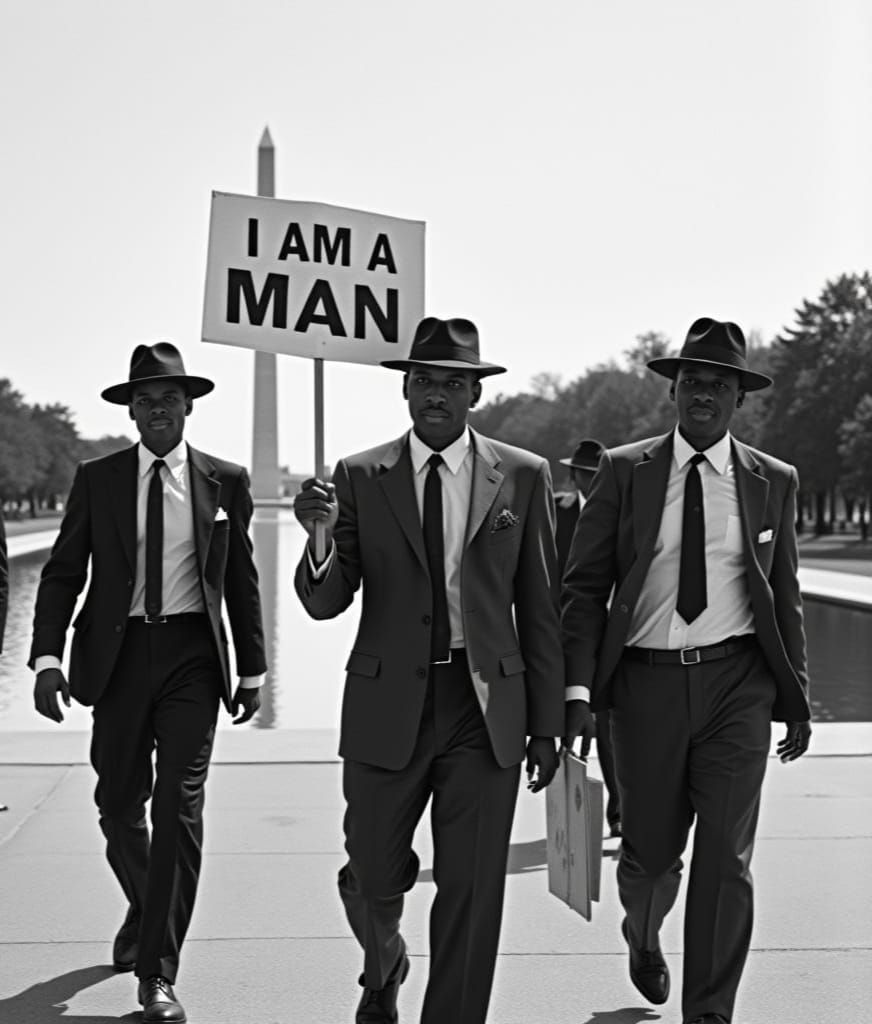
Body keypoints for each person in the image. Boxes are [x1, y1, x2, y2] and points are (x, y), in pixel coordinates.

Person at [294, 316, 565, 1024]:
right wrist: (318, 538)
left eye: (453, 382)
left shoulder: (525, 475)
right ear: (405, 390)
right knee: (374, 875)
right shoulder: (360, 475)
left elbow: (539, 607)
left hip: (485, 711)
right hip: (388, 706)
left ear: (475, 393)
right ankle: (383, 966)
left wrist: (547, 724)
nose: (437, 393)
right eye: (425, 381)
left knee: (474, 890)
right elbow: (326, 603)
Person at [562, 317, 812, 1024]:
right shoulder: (622, 469)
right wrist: (578, 692)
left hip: (739, 685)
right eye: (693, 380)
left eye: (720, 383)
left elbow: (783, 594)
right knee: (648, 858)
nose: (705, 392)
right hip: (643, 687)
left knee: (726, 861)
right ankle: (641, 933)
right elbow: (581, 590)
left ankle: (710, 1013)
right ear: (674, 390)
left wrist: (796, 696)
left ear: (740, 399)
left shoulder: (774, 481)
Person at [30, 341, 266, 1024]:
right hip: (120, 656)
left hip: (194, 655)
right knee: (117, 804)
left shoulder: (227, 479)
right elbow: (64, 572)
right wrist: (46, 659)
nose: (156, 408)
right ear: (130, 411)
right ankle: (146, 900)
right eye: (144, 399)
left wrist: (251, 667)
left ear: (188, 406)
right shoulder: (97, 478)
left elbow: (240, 579)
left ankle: (157, 973)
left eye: (167, 398)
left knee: (180, 807)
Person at [555, 438, 621, 837]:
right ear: (574, 475)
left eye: (600, 475)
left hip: (614, 638)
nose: (593, 482)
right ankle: (568, 811)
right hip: (565, 636)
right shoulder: (553, 512)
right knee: (569, 721)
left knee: (610, 726)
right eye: (586, 475)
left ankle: (620, 808)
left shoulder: (627, 511)